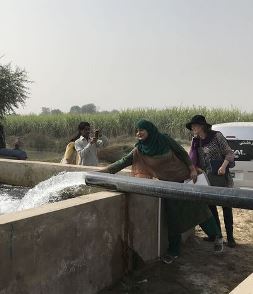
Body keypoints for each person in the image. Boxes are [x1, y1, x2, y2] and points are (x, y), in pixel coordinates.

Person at [101, 119, 223, 264]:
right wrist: (105, 172)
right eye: (137, 130)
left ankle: (217, 237)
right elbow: (123, 162)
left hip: (185, 179)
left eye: (142, 130)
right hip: (168, 186)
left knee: (199, 209)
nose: (138, 133)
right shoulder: (140, 149)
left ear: (150, 130)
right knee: (173, 218)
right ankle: (174, 251)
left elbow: (181, 152)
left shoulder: (164, 140)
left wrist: (191, 169)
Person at [186, 115, 236, 248]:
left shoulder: (217, 136)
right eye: (192, 126)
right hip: (207, 179)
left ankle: (230, 238)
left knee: (226, 206)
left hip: (221, 177)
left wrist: (223, 166)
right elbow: (193, 161)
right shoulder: (196, 141)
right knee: (211, 207)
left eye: (195, 125)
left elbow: (230, 153)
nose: (193, 128)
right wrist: (197, 169)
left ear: (202, 126)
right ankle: (217, 235)